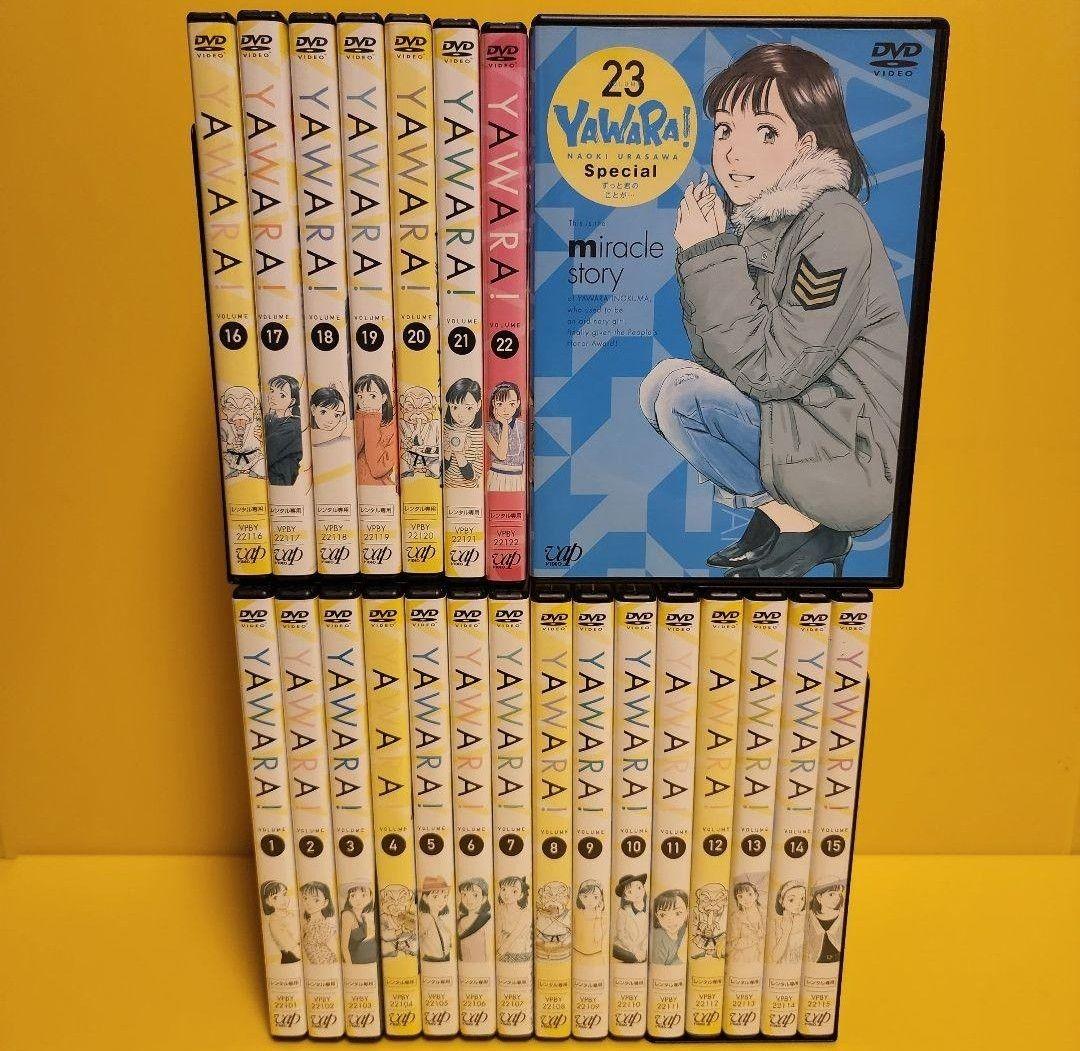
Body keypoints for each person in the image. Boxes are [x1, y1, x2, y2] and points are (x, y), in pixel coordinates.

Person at [639, 43, 908, 578]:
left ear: (806, 145)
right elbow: (720, 360)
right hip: (806, 423)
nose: (735, 154)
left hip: (857, 452)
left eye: (765, 132)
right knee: (661, 385)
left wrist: (708, 255)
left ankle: (806, 528)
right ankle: (782, 518)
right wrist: (707, 253)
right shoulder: (764, 219)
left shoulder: (833, 224)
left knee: (684, 400)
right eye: (725, 130)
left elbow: (772, 370)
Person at [352, 374, 397, 486]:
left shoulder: (391, 429)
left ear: (383, 398)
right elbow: (349, 457)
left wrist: (371, 419)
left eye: (372, 396)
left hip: (381, 488)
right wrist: (361, 419)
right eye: (360, 396)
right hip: (353, 488)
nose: (364, 401)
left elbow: (377, 469)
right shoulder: (355, 424)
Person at [264, 375, 303, 485]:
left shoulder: (293, 426)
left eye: (282, 395)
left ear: (292, 401)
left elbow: (269, 449)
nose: (273, 397)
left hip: (282, 478)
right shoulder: (268, 418)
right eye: (272, 391)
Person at [485, 382, 525, 491]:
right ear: (493, 404)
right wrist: (505, 424)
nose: (505, 410)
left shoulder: (522, 427)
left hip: (518, 478)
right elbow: (501, 455)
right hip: (496, 477)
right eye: (500, 404)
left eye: (511, 404)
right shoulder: (488, 427)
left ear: (518, 403)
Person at [219, 386, 265, 479]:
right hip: (232, 458)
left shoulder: (257, 423)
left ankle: (253, 472)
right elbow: (221, 443)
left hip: (253, 457)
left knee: (261, 466)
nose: (240, 413)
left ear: (253, 409)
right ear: (225, 410)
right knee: (225, 467)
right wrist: (231, 445)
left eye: (247, 407)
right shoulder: (225, 425)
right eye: (232, 407)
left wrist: (261, 438)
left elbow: (264, 443)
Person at [398, 385, 441, 478]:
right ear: (402, 409)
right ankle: (410, 470)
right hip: (409, 458)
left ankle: (430, 470)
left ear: (433, 409)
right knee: (403, 464)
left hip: (430, 458)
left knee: (436, 466)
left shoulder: (436, 425)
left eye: (425, 407)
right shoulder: (401, 424)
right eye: (410, 407)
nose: (418, 412)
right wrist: (404, 443)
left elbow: (439, 446)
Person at [804, 881, 845, 965]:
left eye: (839, 894)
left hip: (837, 965)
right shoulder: (809, 916)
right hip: (813, 964)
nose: (837, 898)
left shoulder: (842, 915)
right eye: (831, 894)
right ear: (819, 897)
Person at [260, 880, 301, 965]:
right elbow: (290, 946)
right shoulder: (274, 921)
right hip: (292, 957)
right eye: (275, 897)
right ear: (268, 902)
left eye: (284, 894)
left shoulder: (292, 914)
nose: (283, 900)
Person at [611, 873, 649, 963]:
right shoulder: (623, 911)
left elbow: (647, 935)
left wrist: (643, 950)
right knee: (616, 950)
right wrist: (634, 950)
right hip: (625, 946)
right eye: (630, 892)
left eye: (639, 888)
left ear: (643, 888)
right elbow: (621, 935)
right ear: (626, 897)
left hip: (641, 948)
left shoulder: (648, 909)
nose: (637, 893)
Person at [299, 881, 339, 965]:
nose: (309, 903)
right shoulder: (306, 924)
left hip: (327, 963)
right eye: (305, 898)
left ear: (325, 902)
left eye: (316, 900)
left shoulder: (327, 926)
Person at [726, 880, 767, 964]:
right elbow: (734, 943)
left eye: (749, 894)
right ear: (737, 900)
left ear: (756, 895)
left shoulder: (764, 913)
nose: (746, 899)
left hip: (762, 958)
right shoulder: (736, 917)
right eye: (740, 896)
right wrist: (755, 938)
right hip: (743, 958)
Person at [768, 880, 807, 965]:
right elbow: (774, 957)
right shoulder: (776, 922)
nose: (799, 904)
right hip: (782, 966)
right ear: (781, 901)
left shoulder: (804, 919)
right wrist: (786, 932)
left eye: (802, 898)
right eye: (791, 900)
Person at [417, 876, 454, 963]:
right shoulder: (426, 918)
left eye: (444, 896)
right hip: (432, 960)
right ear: (425, 898)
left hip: (444, 960)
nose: (441, 901)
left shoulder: (439, 920)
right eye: (435, 896)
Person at [496, 876, 532, 963]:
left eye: (514, 891)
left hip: (519, 953)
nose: (507, 895)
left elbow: (513, 936)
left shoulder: (525, 913)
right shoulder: (500, 910)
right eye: (503, 889)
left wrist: (500, 952)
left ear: (521, 895)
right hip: (502, 952)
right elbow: (498, 933)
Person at [340, 881, 378, 965]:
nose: (358, 899)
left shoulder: (363, 917)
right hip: (354, 960)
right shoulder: (347, 915)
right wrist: (350, 967)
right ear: (349, 899)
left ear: (370, 898)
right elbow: (344, 947)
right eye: (353, 895)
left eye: (363, 895)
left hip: (365, 958)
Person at [650, 889, 689, 965]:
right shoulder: (659, 939)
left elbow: (674, 958)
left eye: (678, 913)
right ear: (657, 916)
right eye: (663, 915)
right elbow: (658, 965)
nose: (670, 920)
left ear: (687, 913)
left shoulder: (682, 929)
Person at [457, 877, 492, 962]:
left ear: (484, 898)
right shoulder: (460, 921)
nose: (468, 899)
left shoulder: (486, 920)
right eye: (464, 894)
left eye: (475, 895)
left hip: (481, 963)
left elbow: (488, 949)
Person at [534, 881, 571, 961]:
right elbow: (536, 927)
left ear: (567, 899)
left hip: (563, 937)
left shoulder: (568, 913)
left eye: (559, 896)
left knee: (567, 942)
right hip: (544, 937)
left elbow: (570, 926)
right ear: (542, 898)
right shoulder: (540, 913)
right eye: (549, 895)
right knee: (538, 941)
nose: (554, 899)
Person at [379, 884, 418, 959]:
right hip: (391, 944)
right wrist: (399, 931)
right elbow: (384, 935)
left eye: (401, 901)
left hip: (407, 943)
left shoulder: (409, 916)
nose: (396, 905)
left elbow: (414, 930)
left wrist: (410, 928)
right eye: (391, 900)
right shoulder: (384, 918)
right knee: (388, 949)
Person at [690, 882, 728, 959]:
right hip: (703, 935)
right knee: (702, 942)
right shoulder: (697, 912)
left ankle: (716, 952)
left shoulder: (724, 912)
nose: (712, 903)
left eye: (717, 899)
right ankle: (704, 951)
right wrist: (702, 931)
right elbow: (694, 927)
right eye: (707, 899)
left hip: (717, 936)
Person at [573, 879, 607, 957]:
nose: (590, 901)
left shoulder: (602, 915)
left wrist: (598, 915)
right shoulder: (576, 913)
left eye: (595, 897)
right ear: (580, 897)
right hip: (577, 951)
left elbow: (598, 938)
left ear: (600, 898)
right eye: (585, 896)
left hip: (596, 953)